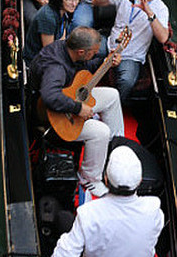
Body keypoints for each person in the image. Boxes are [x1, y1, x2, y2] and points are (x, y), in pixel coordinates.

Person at [20, 144, 164, 257]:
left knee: (63, 218)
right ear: (139, 181)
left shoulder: (89, 214)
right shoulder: (154, 210)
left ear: (106, 180)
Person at [29, 27, 124, 199]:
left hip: (70, 99)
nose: (95, 54)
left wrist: (106, 61)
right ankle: (89, 177)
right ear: (81, 51)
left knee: (112, 95)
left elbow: (87, 65)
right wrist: (78, 108)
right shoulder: (56, 67)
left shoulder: (69, 50)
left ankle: (116, 146)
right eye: (93, 52)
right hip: (54, 120)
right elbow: (50, 96)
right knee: (100, 131)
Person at [92, 0, 169, 102]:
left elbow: (163, 38)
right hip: (109, 43)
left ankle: (108, 108)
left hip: (131, 56)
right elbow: (96, 2)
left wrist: (148, 12)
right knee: (84, 45)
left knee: (127, 81)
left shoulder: (161, 9)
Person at [24, 0, 81, 64]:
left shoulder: (65, 10)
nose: (74, 3)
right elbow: (49, 51)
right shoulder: (47, 17)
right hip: (37, 62)